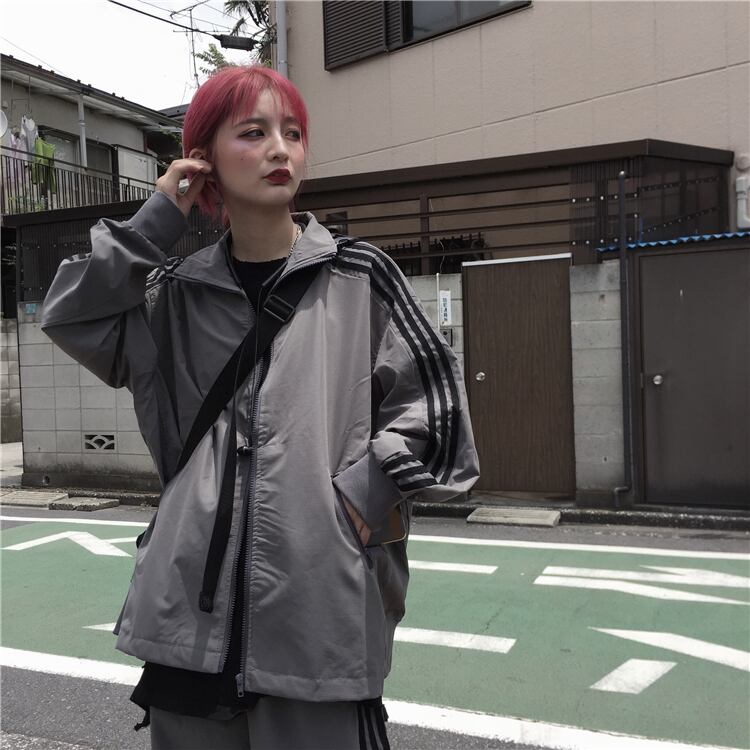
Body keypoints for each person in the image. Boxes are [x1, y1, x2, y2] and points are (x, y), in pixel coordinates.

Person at [41, 65, 479, 750]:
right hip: (186, 620)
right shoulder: (172, 295)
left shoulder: (360, 277)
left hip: (319, 617)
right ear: (203, 160)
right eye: (253, 133)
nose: (281, 149)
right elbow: (71, 314)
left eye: (293, 133)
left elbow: (439, 407)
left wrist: (358, 502)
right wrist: (158, 218)